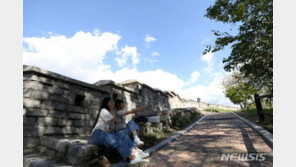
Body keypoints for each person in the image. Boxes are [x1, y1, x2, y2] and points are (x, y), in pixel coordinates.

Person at [91, 97, 149, 164]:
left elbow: (110, 127)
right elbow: (114, 119)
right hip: (97, 134)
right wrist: (113, 109)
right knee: (115, 139)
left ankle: (136, 152)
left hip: (103, 134)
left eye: (113, 101)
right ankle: (132, 158)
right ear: (107, 103)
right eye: (111, 101)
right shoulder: (104, 110)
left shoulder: (110, 113)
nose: (113, 103)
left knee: (122, 135)